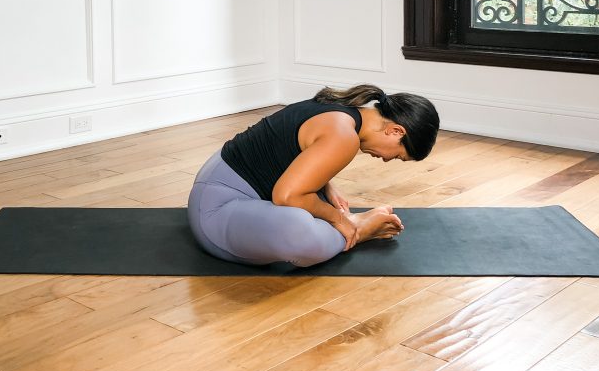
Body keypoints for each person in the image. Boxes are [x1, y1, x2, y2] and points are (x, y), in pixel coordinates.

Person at [187, 83, 439, 268]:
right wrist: (340, 221)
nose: (386, 159)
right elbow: (286, 196)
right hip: (216, 214)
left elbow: (289, 146)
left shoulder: (342, 109)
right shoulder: (344, 136)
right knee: (299, 234)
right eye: (396, 155)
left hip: (215, 189)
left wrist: (325, 185)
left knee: (313, 202)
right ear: (396, 131)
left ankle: (350, 223)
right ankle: (357, 230)